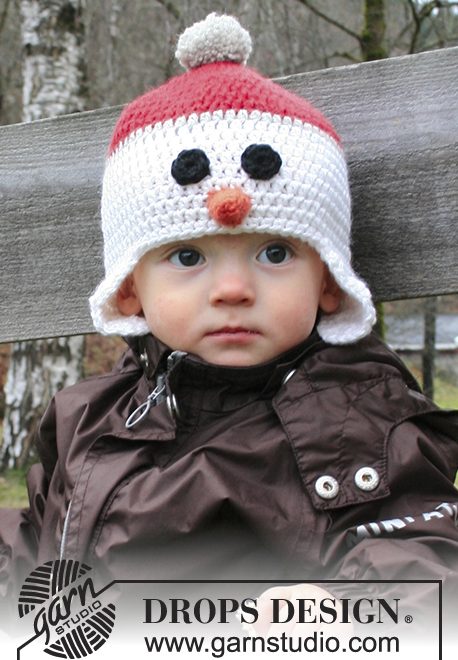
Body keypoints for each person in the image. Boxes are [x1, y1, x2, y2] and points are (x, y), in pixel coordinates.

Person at [1, 12, 457, 637]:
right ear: (131, 290)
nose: (234, 290)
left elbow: (427, 557)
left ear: (327, 281)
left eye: (276, 253)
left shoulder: (358, 417)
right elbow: (34, 546)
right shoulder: (88, 416)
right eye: (188, 257)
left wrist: (341, 611)